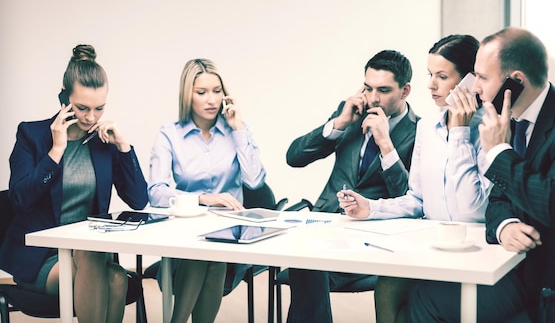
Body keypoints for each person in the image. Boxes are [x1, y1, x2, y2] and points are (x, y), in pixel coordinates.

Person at [408, 27, 555, 322]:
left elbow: (553, 206)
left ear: (516, 81)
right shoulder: (512, 123)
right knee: (426, 297)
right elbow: (497, 201)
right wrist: (505, 226)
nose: (474, 88)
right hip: (529, 273)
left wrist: (498, 151)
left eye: (483, 78)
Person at [337, 34, 491, 323]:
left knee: (414, 306)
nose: (431, 84)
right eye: (430, 74)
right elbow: (417, 199)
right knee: (386, 288)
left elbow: (473, 210)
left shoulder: (491, 127)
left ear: (471, 80)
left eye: (442, 76)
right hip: (431, 246)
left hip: (473, 251)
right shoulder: (427, 127)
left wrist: (459, 132)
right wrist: (370, 207)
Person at [0, 45, 148, 322]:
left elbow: (139, 200)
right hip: (41, 258)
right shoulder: (31, 135)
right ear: (63, 98)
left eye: (99, 108)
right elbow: (20, 199)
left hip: (90, 256)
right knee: (104, 266)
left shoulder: (104, 144)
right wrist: (55, 152)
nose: (91, 117)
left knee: (116, 277)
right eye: (82, 108)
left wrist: (124, 147)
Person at [285, 49, 419, 323]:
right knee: (306, 258)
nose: (373, 98)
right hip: (326, 225)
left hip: (374, 236)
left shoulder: (419, 131)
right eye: (368, 88)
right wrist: (338, 123)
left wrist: (386, 144)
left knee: (309, 262)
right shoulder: (350, 114)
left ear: (405, 91)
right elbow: (294, 158)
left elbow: (409, 198)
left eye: (383, 90)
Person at [148, 58, 267, 323]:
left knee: (211, 252)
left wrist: (238, 129)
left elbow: (254, 180)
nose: (212, 99)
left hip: (231, 235)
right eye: (202, 92)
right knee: (201, 252)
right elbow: (156, 192)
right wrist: (201, 199)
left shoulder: (238, 131)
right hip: (186, 234)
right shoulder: (170, 134)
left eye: (217, 91)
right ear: (187, 95)